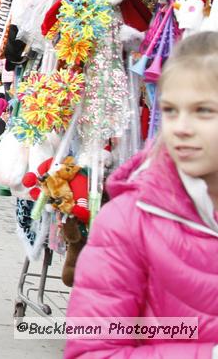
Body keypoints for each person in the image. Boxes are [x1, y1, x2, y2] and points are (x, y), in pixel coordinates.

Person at [64, 31, 218, 357]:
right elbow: (93, 350)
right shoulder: (128, 221)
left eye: (203, 110)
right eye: (171, 111)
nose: (181, 127)